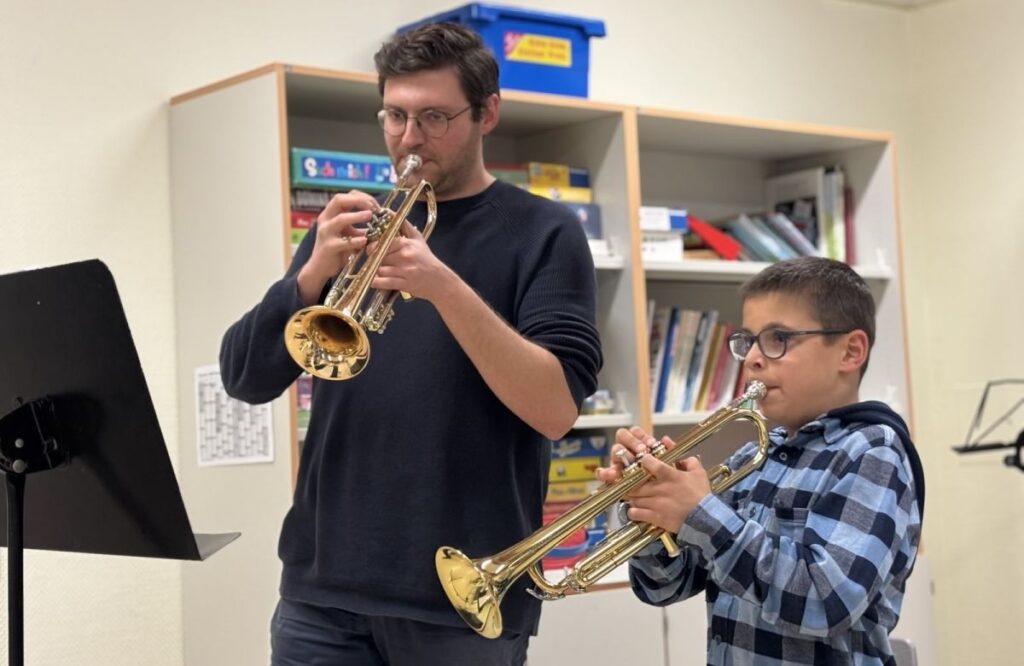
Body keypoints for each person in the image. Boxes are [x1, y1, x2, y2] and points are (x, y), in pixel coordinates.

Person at [219, 22, 602, 666]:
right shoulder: (352, 228)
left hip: (460, 595)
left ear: (487, 114)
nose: (410, 138)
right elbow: (244, 379)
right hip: (321, 591)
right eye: (394, 116)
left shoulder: (545, 231)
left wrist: (443, 287)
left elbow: (556, 408)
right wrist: (310, 275)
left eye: (434, 117)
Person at [598, 256, 924, 666]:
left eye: (778, 338)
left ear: (850, 351)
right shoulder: (753, 457)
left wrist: (701, 513)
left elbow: (825, 603)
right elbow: (665, 588)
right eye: (748, 341)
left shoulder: (873, 452)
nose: (751, 357)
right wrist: (650, 511)